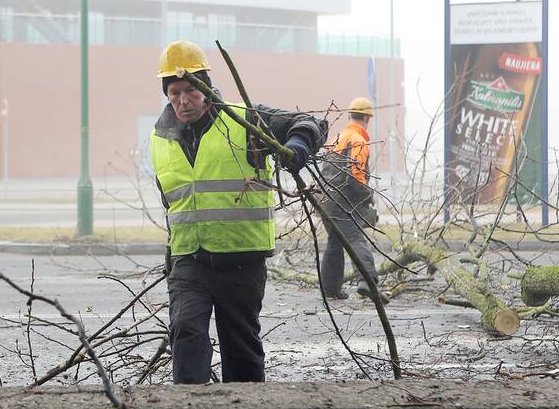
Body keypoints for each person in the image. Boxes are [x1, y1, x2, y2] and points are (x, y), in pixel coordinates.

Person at [150, 40, 327, 384]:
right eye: (174, 92)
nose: (183, 100)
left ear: (205, 87)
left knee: (241, 349)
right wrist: (173, 255)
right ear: (166, 93)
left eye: (190, 90)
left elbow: (309, 122)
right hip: (189, 261)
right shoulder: (160, 138)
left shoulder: (244, 120)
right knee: (185, 333)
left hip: (241, 261)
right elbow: (172, 202)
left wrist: (296, 147)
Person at [318, 97, 384, 303]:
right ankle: (368, 283)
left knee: (335, 242)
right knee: (355, 239)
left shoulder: (338, 136)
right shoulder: (358, 140)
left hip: (325, 201)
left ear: (350, 116)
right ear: (367, 118)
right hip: (341, 203)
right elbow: (355, 176)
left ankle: (330, 289)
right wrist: (368, 195)